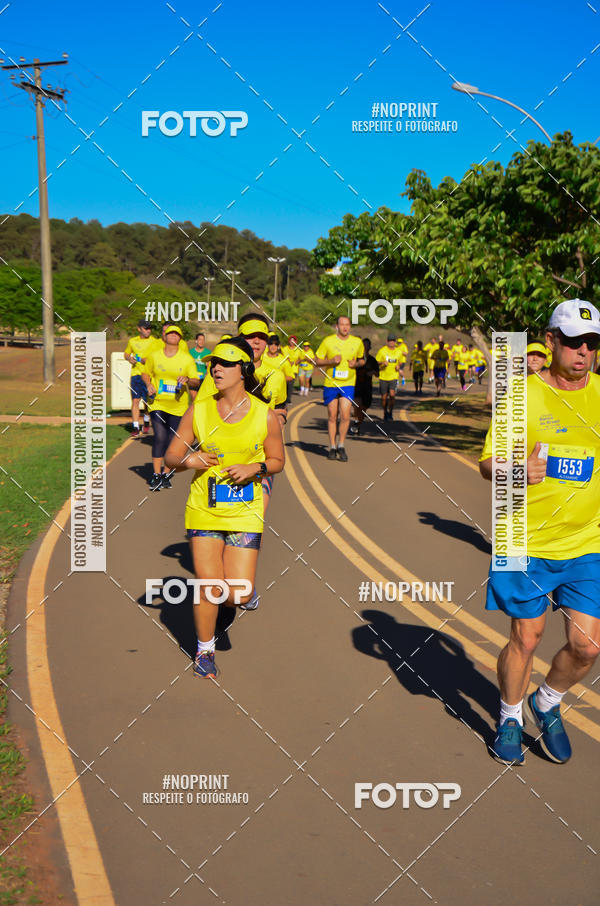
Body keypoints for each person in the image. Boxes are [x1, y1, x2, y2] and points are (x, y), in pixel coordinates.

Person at [479, 299, 600, 765]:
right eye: (573, 341)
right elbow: (489, 465)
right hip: (521, 536)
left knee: (587, 645)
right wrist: (515, 468)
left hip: (586, 540)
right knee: (526, 638)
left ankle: (546, 700)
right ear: (550, 341)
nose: (583, 351)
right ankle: (509, 715)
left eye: (592, 343)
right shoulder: (520, 395)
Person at [165, 336, 285, 678]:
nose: (215, 368)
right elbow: (171, 456)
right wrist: (190, 461)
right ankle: (204, 651)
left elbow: (277, 461)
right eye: (212, 363)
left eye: (225, 363)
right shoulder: (199, 409)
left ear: (243, 370)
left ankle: (236, 600)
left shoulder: (265, 416)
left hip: (245, 512)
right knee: (208, 584)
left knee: (237, 592)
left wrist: (255, 468)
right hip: (203, 508)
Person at [142, 325, 199, 491]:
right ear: (164, 337)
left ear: (180, 338)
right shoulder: (154, 356)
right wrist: (148, 384)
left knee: (172, 440)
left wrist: (188, 379)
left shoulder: (186, 359)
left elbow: (196, 381)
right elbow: (145, 373)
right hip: (157, 403)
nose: (173, 335)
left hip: (178, 406)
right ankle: (156, 475)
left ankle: (165, 474)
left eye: (177, 333)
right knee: (160, 436)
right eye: (170, 333)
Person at [315, 315, 364, 461]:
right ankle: (332, 446)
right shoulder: (328, 341)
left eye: (347, 325)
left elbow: (362, 360)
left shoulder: (357, 342)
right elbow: (317, 360)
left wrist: (355, 364)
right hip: (331, 383)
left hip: (348, 383)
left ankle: (341, 444)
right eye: (342, 325)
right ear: (337, 326)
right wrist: (330, 361)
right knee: (332, 414)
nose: (345, 327)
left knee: (345, 414)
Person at [124, 319, 158, 437]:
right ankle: (135, 427)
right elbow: (126, 353)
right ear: (139, 329)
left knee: (147, 402)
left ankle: (146, 421)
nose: (148, 330)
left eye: (149, 328)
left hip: (149, 376)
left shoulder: (155, 341)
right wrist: (129, 359)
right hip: (136, 375)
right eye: (146, 328)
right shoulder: (132, 341)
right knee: (135, 400)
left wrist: (147, 361)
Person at [350, 338, 378, 434]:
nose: (365, 347)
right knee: (357, 406)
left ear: (370, 347)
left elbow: (378, 374)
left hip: (367, 388)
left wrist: (373, 372)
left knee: (363, 409)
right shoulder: (356, 359)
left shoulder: (372, 360)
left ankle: (357, 424)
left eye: (367, 345)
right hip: (357, 386)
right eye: (363, 345)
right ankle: (356, 422)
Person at [375, 335, 401, 420]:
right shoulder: (382, 351)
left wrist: (398, 366)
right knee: (384, 398)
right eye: (390, 341)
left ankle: (390, 412)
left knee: (392, 395)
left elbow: (399, 361)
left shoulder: (398, 351)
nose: (392, 342)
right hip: (383, 377)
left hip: (393, 377)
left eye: (393, 341)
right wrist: (382, 363)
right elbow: (376, 362)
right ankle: (385, 412)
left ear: (395, 342)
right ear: (387, 341)